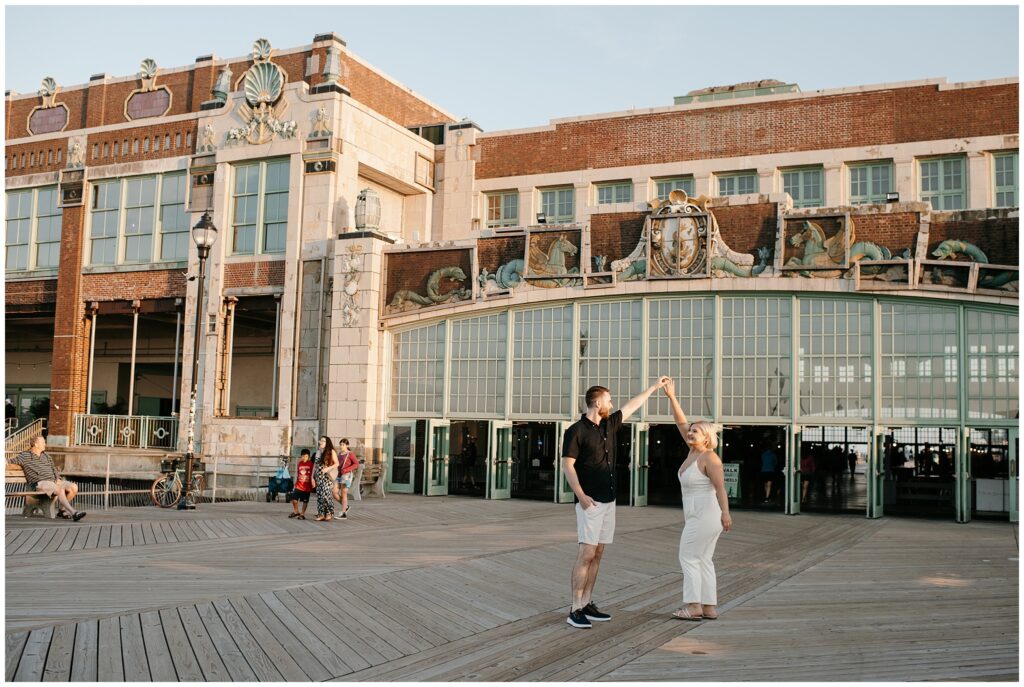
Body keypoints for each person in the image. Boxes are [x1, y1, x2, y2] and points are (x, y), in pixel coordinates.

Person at [561, 377, 668, 629]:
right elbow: (567, 465)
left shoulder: (609, 425)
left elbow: (632, 406)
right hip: (590, 502)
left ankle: (587, 603)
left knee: (598, 553)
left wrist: (654, 387)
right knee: (586, 553)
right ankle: (575, 608)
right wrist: (580, 495)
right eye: (608, 399)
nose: (612, 403)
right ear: (597, 402)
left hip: (609, 500)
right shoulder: (576, 430)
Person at [663, 380, 732, 621]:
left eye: (696, 431)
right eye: (690, 431)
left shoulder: (709, 458)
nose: (690, 433)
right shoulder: (693, 451)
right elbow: (680, 422)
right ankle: (709, 607)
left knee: (688, 556)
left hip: (706, 514)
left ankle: (693, 606)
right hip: (696, 514)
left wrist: (726, 513)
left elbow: (721, 488)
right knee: (703, 559)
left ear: (707, 437)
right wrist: (672, 396)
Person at [10, 436, 86, 521]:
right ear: (36, 444)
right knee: (59, 490)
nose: (45, 444)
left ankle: (62, 510)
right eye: (43, 442)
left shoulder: (46, 456)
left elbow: (53, 468)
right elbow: (10, 462)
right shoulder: (25, 456)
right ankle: (73, 512)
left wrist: (57, 478)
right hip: (40, 482)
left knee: (73, 487)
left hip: (53, 481)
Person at [311, 436, 338, 521]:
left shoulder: (331, 451)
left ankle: (329, 513)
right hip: (318, 477)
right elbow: (315, 465)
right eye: (320, 441)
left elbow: (337, 463)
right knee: (319, 495)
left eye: (323, 441)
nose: (321, 442)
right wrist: (312, 477)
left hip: (327, 477)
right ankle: (321, 514)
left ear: (327, 443)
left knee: (325, 495)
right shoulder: (318, 452)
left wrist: (327, 469)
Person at [334, 438, 359, 519]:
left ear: (347, 445)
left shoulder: (350, 454)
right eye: (340, 444)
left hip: (346, 476)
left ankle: (343, 513)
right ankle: (346, 507)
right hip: (338, 476)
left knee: (343, 493)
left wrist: (346, 469)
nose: (341, 446)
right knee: (334, 493)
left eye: (343, 445)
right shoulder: (340, 454)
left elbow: (356, 464)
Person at [289, 449, 314, 520]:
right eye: (303, 456)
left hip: (307, 486)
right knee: (294, 499)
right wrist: (295, 482)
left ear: (309, 457)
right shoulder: (299, 463)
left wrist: (313, 483)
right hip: (299, 485)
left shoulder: (311, 464)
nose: (304, 458)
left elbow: (313, 474)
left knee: (305, 501)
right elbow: (297, 473)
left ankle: (302, 514)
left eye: (306, 456)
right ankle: (296, 511)